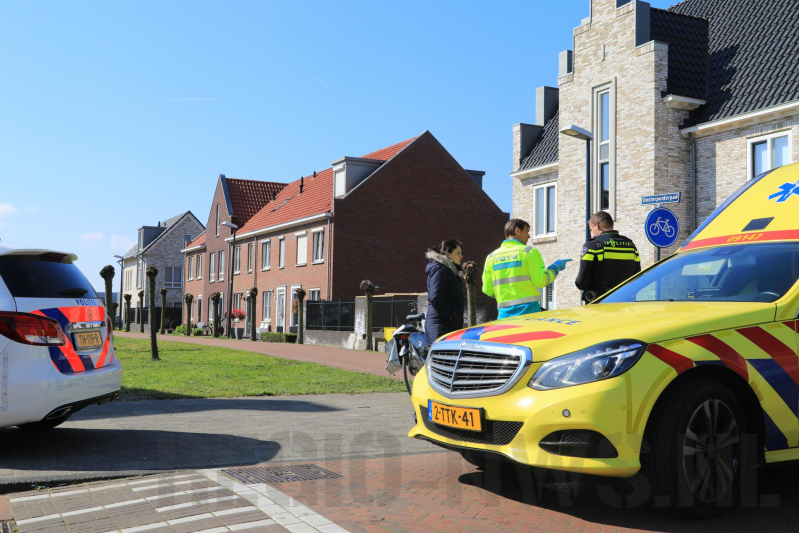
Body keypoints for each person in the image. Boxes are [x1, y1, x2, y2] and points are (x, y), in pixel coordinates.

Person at [482, 219, 571, 319]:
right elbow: (540, 282)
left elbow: (487, 290)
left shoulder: (491, 258)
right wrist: (555, 268)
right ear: (517, 231)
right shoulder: (529, 252)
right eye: (527, 232)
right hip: (530, 314)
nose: (529, 236)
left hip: (504, 316)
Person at [576, 211, 641, 303]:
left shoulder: (592, 246)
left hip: (600, 303)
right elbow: (638, 277)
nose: (592, 233)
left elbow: (581, 283)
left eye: (591, 230)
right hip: (625, 303)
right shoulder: (631, 245)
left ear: (596, 225)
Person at [425, 239, 465, 344]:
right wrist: (451, 316)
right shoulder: (441, 269)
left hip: (448, 325)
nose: (461, 256)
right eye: (458, 253)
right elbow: (435, 297)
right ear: (448, 254)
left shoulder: (450, 271)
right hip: (440, 327)